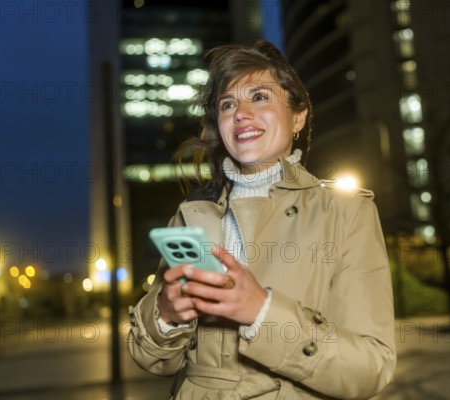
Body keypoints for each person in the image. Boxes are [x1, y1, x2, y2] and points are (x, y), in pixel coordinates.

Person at [127, 40, 396, 399]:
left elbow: (371, 368)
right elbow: (150, 358)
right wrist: (167, 312)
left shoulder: (347, 214)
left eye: (259, 97)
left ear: (298, 116)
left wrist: (262, 313)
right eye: (227, 104)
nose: (240, 113)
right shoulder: (192, 215)